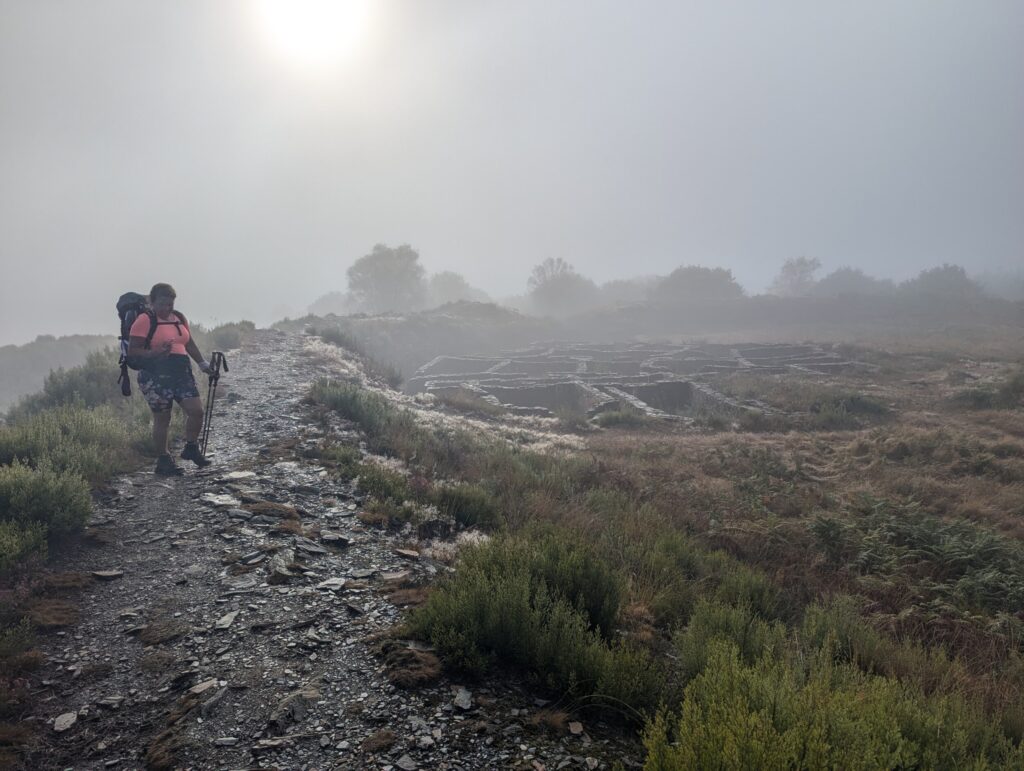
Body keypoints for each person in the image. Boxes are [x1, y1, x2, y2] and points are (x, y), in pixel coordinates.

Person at [127, 283, 216, 476]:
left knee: (196, 411)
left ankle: (191, 448)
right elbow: (133, 351)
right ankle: (164, 460)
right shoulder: (143, 320)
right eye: (162, 304)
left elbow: (188, 342)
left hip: (181, 371)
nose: (167, 308)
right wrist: (156, 352)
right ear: (152, 301)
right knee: (163, 419)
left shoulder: (179, 318)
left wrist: (202, 364)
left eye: (170, 304)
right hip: (155, 375)